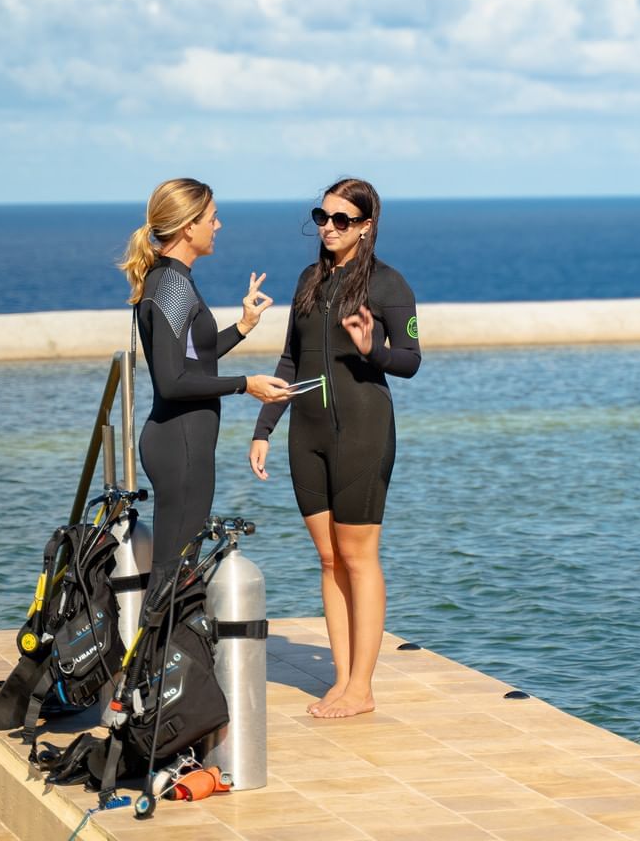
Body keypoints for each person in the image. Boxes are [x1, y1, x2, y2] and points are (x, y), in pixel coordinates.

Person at [249, 178, 419, 719]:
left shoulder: (388, 284)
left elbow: (410, 359)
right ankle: (342, 679)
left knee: (358, 557)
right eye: (322, 216)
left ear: (366, 226)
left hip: (363, 430)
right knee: (328, 559)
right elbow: (290, 359)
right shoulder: (309, 280)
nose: (328, 227)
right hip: (308, 433)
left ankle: (362, 688)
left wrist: (373, 350)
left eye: (342, 219)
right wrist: (263, 428)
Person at [118, 178, 289, 587]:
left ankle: (167, 631)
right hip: (180, 445)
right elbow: (172, 382)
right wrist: (246, 384)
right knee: (173, 575)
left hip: (181, 442)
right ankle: (159, 633)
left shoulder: (172, 279)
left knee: (179, 571)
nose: (219, 225)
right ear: (188, 226)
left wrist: (243, 326)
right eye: (212, 218)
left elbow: (196, 362)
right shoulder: (172, 286)